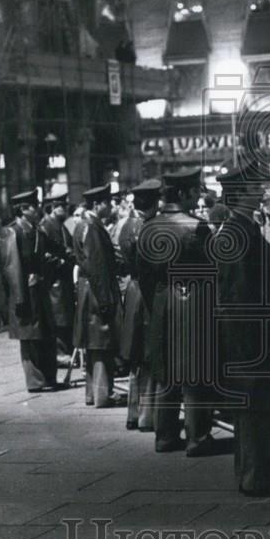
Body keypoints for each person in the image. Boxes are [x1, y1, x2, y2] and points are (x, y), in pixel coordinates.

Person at [214, 158, 270, 496]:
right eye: (255, 187)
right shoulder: (238, 232)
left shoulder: (240, 227)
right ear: (240, 193)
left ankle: (250, 472)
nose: (262, 191)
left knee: (252, 408)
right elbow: (239, 292)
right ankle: (258, 477)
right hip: (249, 333)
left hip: (246, 331)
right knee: (255, 407)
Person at [137, 167, 215, 455]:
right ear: (182, 194)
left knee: (165, 371)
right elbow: (212, 272)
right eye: (195, 192)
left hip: (160, 301)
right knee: (195, 370)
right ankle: (198, 438)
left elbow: (142, 275)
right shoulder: (197, 226)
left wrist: (157, 301)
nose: (197, 197)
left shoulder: (149, 226)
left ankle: (165, 436)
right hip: (193, 302)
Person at [71, 184, 124, 408]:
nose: (111, 206)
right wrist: (106, 300)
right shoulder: (93, 227)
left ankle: (92, 393)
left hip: (87, 290)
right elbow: (99, 266)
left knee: (93, 345)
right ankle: (103, 394)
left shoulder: (82, 224)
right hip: (97, 290)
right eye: (107, 202)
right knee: (102, 343)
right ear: (97, 204)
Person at [0, 191, 57, 393]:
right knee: (30, 338)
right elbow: (11, 268)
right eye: (32, 206)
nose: (37, 209)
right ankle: (35, 381)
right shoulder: (11, 232)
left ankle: (49, 377)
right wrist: (19, 298)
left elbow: (53, 250)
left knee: (47, 334)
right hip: (25, 292)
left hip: (39, 290)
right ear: (22, 210)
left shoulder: (38, 231)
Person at [118, 179, 162, 431]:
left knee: (137, 357)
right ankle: (148, 416)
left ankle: (133, 413)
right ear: (154, 202)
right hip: (148, 295)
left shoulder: (126, 227)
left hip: (133, 292)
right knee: (149, 355)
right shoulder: (149, 228)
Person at [40, 192, 77, 361]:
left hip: (63, 278)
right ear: (54, 208)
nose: (66, 209)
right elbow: (44, 253)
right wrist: (61, 260)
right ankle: (60, 352)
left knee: (65, 314)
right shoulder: (46, 225)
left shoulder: (60, 225)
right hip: (55, 278)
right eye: (62, 206)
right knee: (59, 316)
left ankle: (65, 350)